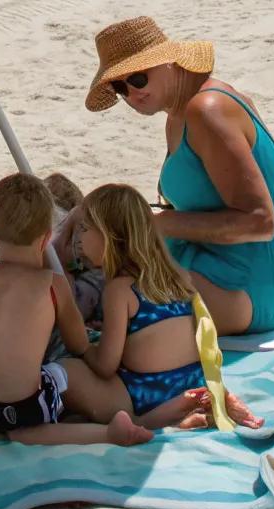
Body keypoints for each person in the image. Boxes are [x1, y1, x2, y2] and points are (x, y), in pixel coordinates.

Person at [84, 17, 274, 335]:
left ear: (168, 62)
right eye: (119, 87)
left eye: (137, 79)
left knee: (109, 285)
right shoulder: (185, 112)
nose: (132, 95)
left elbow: (261, 222)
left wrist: (157, 225)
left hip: (255, 288)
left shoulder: (206, 111)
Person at [0, 175, 150, 450]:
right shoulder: (54, 286)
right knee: (31, 429)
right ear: (44, 241)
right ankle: (106, 435)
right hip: (24, 407)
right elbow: (79, 345)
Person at [56, 184, 262, 431]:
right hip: (190, 383)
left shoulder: (119, 290)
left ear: (110, 236)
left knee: (64, 373)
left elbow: (105, 366)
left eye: (84, 229)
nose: (78, 239)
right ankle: (184, 410)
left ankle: (144, 421)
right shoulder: (178, 277)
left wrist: (81, 346)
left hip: (144, 393)